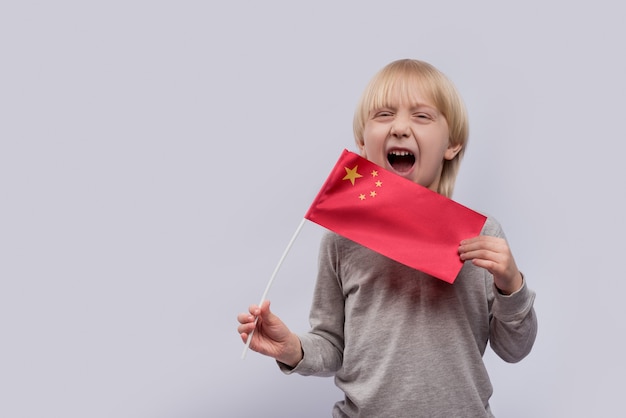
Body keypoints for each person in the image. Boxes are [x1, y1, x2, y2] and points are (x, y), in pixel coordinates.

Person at [237, 59, 537, 417]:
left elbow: (514, 349)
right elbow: (332, 345)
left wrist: (511, 286)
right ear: (363, 142)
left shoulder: (482, 236)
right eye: (383, 115)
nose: (399, 128)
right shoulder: (341, 239)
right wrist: (292, 350)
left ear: (452, 144)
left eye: (422, 116)